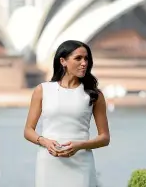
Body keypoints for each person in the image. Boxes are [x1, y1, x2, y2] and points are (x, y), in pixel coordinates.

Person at [24, 40, 110, 187]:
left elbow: (105, 138)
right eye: (78, 58)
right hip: (49, 161)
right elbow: (28, 131)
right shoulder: (42, 90)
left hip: (81, 162)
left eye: (86, 59)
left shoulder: (94, 95)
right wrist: (45, 141)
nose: (84, 63)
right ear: (63, 61)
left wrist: (80, 145)